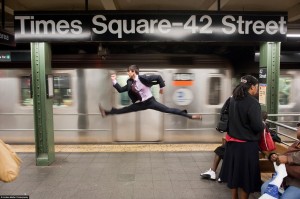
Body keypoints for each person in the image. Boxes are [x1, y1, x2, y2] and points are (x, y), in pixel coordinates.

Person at [219, 75, 265, 199]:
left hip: (232, 145)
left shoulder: (233, 99)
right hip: (247, 147)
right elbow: (256, 126)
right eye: (256, 86)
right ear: (252, 87)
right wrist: (263, 125)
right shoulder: (253, 103)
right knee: (246, 178)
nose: (257, 89)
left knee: (234, 176)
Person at [98, 65, 202, 120]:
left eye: (128, 71)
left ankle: (190, 116)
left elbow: (158, 77)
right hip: (141, 104)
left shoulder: (143, 77)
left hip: (151, 101)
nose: (127, 73)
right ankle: (106, 113)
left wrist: (162, 88)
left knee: (168, 110)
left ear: (133, 71)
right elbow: (120, 90)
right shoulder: (129, 82)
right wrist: (114, 80)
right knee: (125, 109)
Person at [260, 125, 300, 199]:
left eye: (299, 128)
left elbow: (288, 157)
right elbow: (285, 156)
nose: (297, 129)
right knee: (265, 188)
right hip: (284, 178)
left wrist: (288, 159)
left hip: (297, 182)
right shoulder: (297, 143)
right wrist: (275, 156)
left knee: (287, 197)